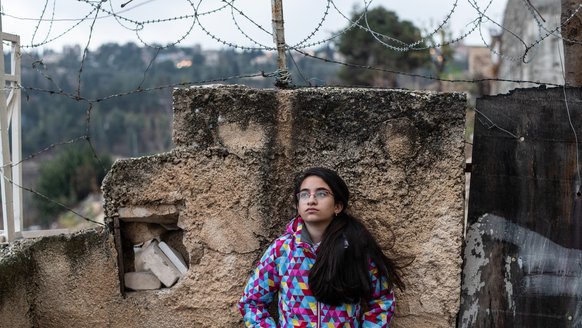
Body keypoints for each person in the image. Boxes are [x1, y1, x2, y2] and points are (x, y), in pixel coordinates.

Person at [238, 167, 405, 327]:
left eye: (321, 193)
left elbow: (382, 301)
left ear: (337, 206)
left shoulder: (356, 248)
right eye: (304, 194)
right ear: (298, 205)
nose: (311, 200)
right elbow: (251, 302)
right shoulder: (282, 249)